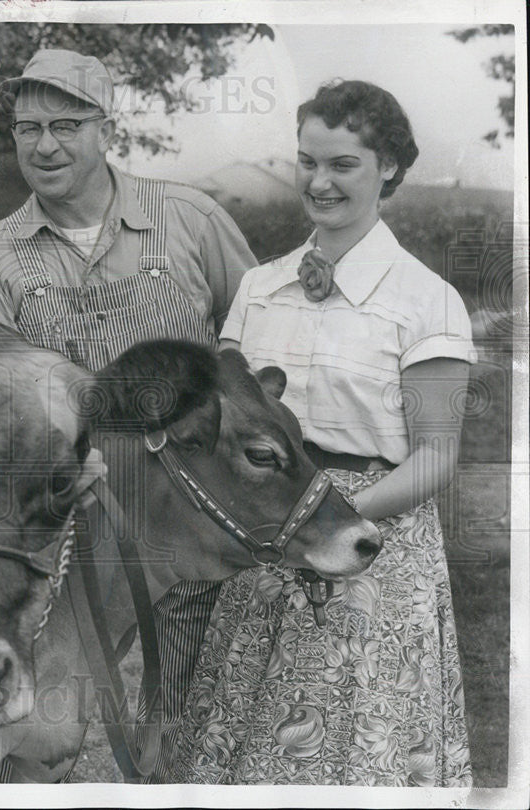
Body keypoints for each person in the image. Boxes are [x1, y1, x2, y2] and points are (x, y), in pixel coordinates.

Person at [0, 48, 257, 781]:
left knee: (185, 725)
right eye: (28, 128)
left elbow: (255, 343)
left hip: (196, 526)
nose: (45, 145)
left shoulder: (188, 219)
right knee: (48, 736)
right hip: (65, 535)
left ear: (104, 126)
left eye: (66, 124)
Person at [169, 80, 474, 786]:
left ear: (389, 168)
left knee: (358, 756)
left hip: (373, 544)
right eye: (308, 162)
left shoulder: (426, 300)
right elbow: (229, 425)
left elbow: (438, 455)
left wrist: (328, 516)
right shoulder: (259, 287)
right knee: (249, 752)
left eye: (343, 165)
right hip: (266, 541)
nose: (319, 181)